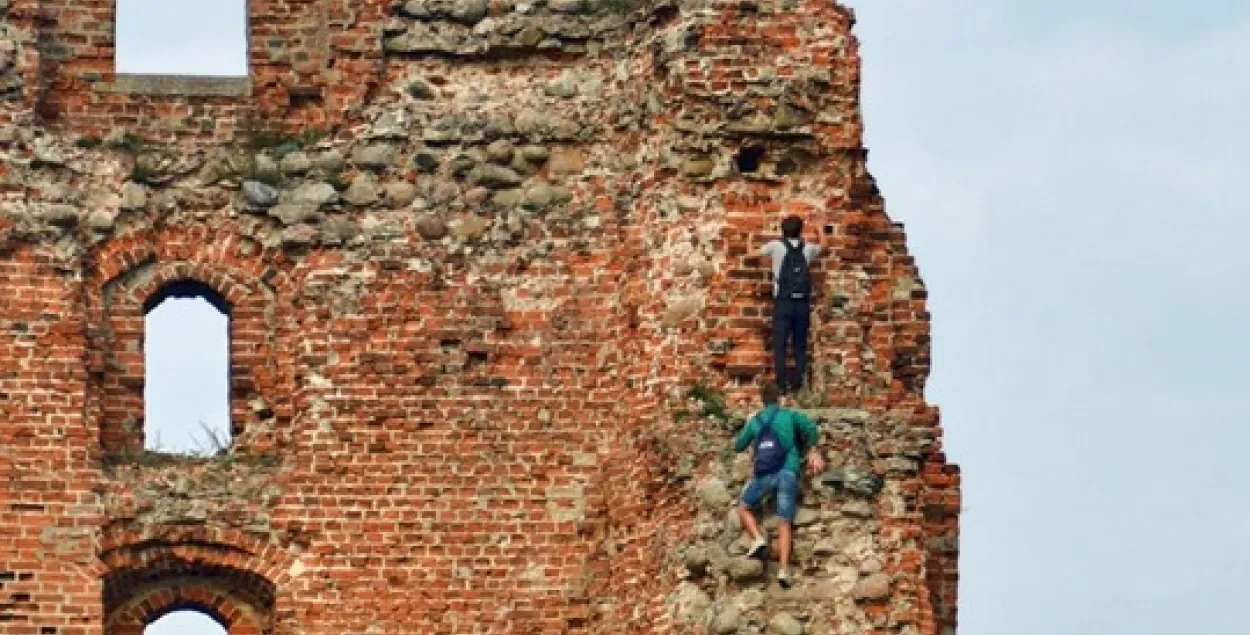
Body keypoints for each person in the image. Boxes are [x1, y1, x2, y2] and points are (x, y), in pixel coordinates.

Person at [734, 380, 824, 587]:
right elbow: (811, 427)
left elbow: (738, 445)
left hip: (764, 474)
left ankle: (757, 537)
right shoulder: (789, 415)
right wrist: (812, 450)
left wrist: (751, 423)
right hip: (787, 471)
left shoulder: (756, 420)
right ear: (779, 399)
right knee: (784, 521)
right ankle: (784, 570)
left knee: (744, 507)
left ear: (762, 402)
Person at [760, 215, 822, 396]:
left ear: (782, 230)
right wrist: (819, 229)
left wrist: (748, 241)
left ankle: (781, 385)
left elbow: (753, 252)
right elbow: (823, 247)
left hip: (783, 301)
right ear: (800, 230)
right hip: (802, 302)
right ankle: (800, 385)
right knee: (799, 346)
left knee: (780, 345)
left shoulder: (775, 246)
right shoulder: (808, 248)